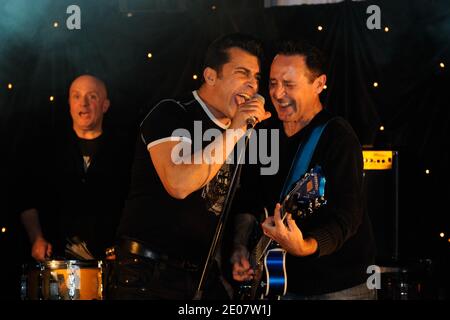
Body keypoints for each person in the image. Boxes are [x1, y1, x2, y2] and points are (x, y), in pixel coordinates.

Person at [109, 33, 271, 300]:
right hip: (148, 274)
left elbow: (240, 201)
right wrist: (234, 132)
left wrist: (239, 248)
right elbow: (179, 184)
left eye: (256, 77)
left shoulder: (244, 132)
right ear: (210, 76)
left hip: (201, 274)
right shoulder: (172, 113)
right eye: (243, 73)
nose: (252, 85)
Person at [231, 40, 377, 300]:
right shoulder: (264, 133)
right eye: (273, 83)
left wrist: (305, 246)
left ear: (319, 84)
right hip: (278, 284)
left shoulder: (337, 136)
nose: (277, 93)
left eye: (289, 84)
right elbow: (248, 200)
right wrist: (241, 247)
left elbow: (347, 217)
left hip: (337, 287)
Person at [19, 75, 131, 261]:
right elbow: (27, 198)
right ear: (69, 103)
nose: (83, 103)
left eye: (92, 96)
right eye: (76, 96)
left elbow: (135, 205)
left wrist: (122, 246)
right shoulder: (48, 148)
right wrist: (36, 238)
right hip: (56, 263)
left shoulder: (124, 152)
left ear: (105, 105)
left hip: (109, 266)